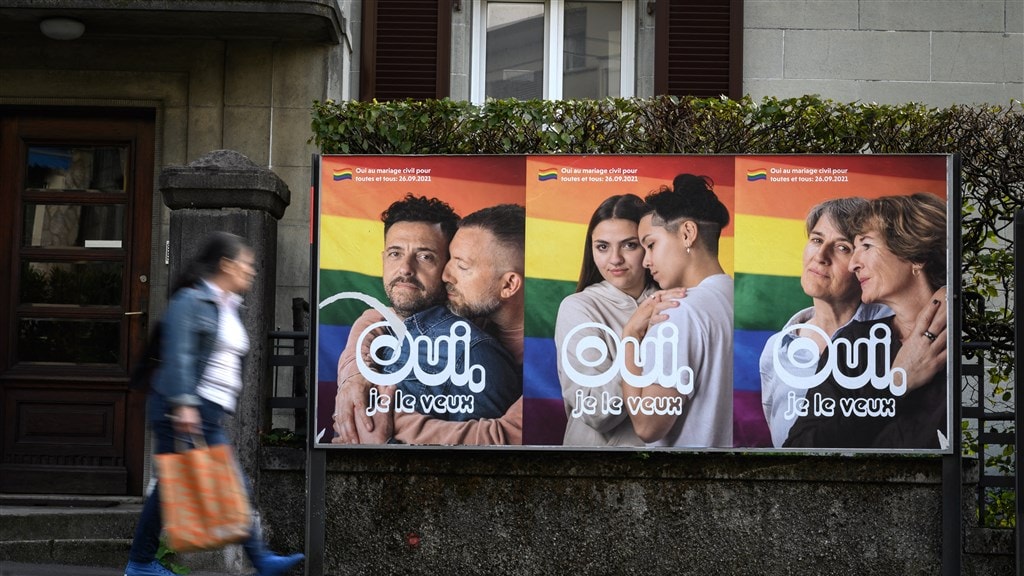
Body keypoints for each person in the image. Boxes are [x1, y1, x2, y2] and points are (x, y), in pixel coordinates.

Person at [125, 232, 303, 576]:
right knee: (227, 484)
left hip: (206, 411)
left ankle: (141, 563)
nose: (252, 271)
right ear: (226, 265)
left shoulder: (229, 305)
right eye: (247, 264)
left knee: (172, 486)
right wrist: (184, 404)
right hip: (182, 408)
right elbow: (179, 354)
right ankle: (260, 559)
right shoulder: (192, 302)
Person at [332, 199, 521, 444]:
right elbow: (378, 317)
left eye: (425, 256)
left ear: (508, 285)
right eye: (395, 253)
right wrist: (354, 375)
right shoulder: (416, 325)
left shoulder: (475, 348)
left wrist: (388, 421)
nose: (405, 269)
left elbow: (505, 441)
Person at [784, 193, 948, 449]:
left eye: (866, 246)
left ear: (916, 257)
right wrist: (895, 383)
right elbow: (800, 446)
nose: (853, 265)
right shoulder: (853, 343)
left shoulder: (962, 339)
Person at [759, 198, 892, 447]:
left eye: (842, 247)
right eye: (817, 240)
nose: (820, 256)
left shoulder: (890, 335)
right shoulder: (777, 348)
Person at [619, 174, 734, 447]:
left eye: (651, 244)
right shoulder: (735, 298)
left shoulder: (675, 311)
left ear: (687, 234)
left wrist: (630, 338)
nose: (646, 261)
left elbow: (647, 426)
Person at [556, 194, 659, 446]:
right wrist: (632, 339)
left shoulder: (675, 301)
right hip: (596, 467)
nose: (615, 259)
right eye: (602, 246)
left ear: (648, 245)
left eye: (629, 245)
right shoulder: (579, 308)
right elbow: (595, 411)